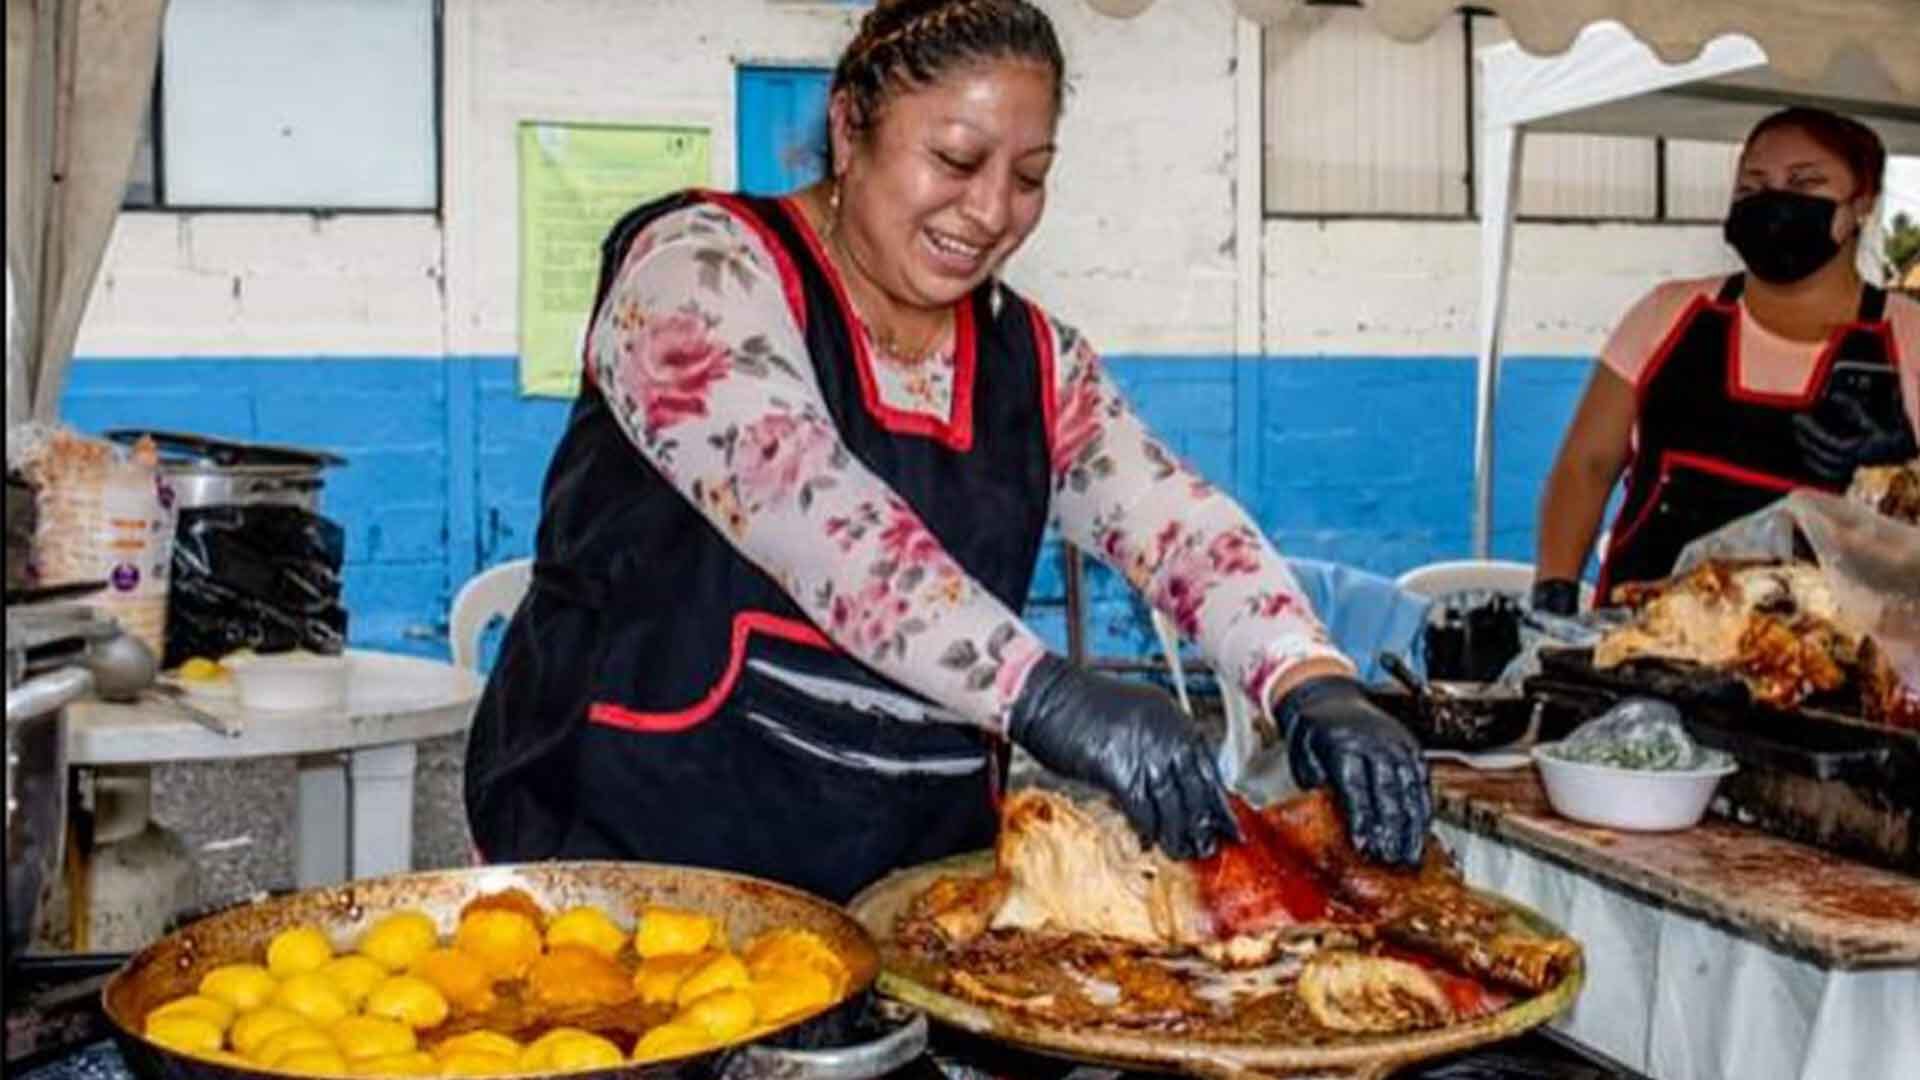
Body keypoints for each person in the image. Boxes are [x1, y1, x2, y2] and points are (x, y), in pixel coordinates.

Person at [464, 0, 1430, 904]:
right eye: (956, 158)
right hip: (629, 875)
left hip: (902, 900)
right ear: (850, 127)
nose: (990, 210)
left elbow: (1174, 522)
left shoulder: (1032, 362)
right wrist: (1046, 694)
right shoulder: (699, 269)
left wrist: (1308, 677)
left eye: (1030, 175)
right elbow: (815, 513)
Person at [1533, 106, 1920, 614]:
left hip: (1826, 671)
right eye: (1752, 186)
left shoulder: (1907, 338)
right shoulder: (1668, 315)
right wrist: (1552, 595)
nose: (1774, 200)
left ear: (1862, 204)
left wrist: (1898, 483)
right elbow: (1586, 466)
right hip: (1642, 651)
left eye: (1804, 183)